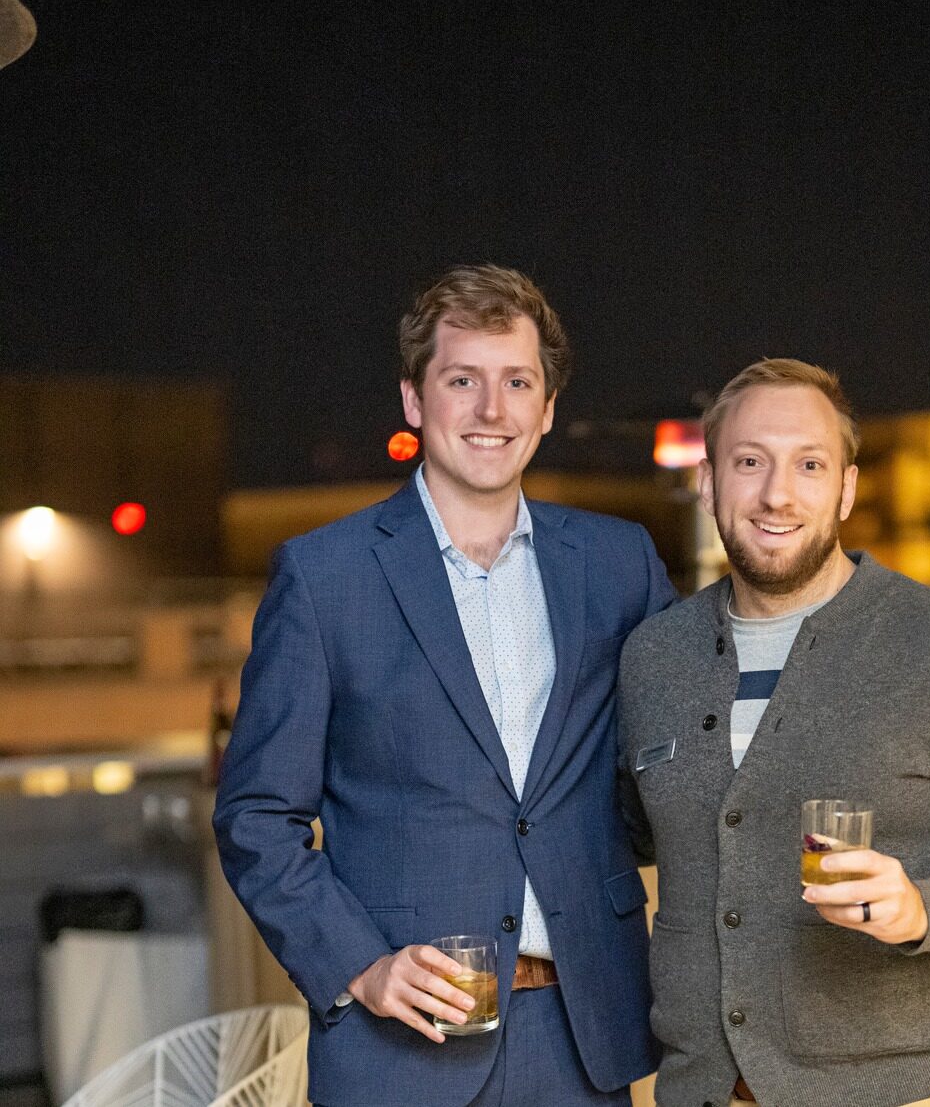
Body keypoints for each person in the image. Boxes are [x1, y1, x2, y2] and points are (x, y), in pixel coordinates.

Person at [214, 265, 675, 1107]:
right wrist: (359, 966)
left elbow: (715, 705)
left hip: (583, 1040)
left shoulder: (618, 564)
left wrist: (915, 637)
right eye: (462, 380)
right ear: (414, 401)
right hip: (404, 1049)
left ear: (546, 409)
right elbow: (255, 817)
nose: (492, 410)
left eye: (517, 383)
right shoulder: (324, 577)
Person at [617, 358, 930, 1107]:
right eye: (747, 462)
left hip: (898, 1090)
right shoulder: (652, 658)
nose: (775, 493)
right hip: (697, 1087)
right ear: (708, 484)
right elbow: (626, 830)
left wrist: (920, 908)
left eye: (808, 464)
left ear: (846, 489)